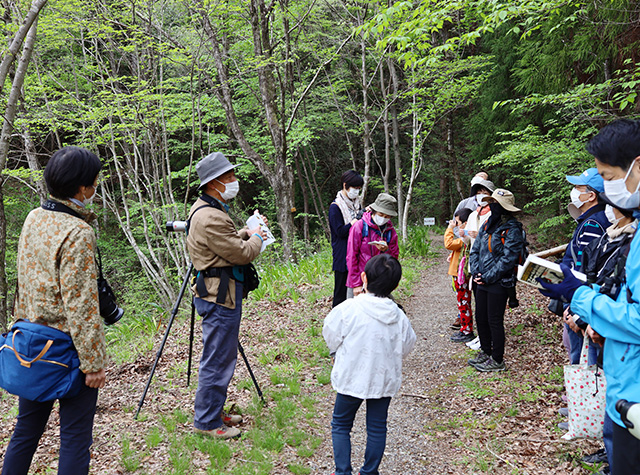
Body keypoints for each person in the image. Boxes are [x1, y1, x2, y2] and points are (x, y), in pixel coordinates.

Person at [538, 119, 640, 475]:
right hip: (625, 387)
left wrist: (581, 298)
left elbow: (638, 320)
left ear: (637, 166)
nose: (609, 189)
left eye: (609, 177)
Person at [2, 147, 106, 475]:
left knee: (26, 431)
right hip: (66, 352)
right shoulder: (78, 233)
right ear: (81, 189)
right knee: (75, 437)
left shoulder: (35, 216)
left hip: (31, 345)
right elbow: (82, 305)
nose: (94, 189)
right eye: (93, 183)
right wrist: (93, 364)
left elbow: (25, 279)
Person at [185, 152, 267, 440]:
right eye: (229, 177)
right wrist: (258, 235)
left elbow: (227, 243)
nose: (234, 181)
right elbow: (242, 254)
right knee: (218, 359)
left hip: (218, 291)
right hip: (220, 295)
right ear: (214, 182)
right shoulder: (210, 217)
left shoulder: (208, 209)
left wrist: (244, 231)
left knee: (221, 355)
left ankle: (213, 411)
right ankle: (207, 422)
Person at [323, 254, 416, 475]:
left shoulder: (348, 309)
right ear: (395, 284)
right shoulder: (398, 315)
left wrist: (336, 352)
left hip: (350, 376)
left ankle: (343, 471)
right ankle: (369, 471)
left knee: (341, 425)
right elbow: (407, 345)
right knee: (376, 427)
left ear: (363, 277)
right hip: (382, 378)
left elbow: (330, 332)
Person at [468, 189, 525, 372]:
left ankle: (497, 360)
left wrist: (488, 276)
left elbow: (508, 259)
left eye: (495, 203)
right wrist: (477, 272)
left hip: (499, 283)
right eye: (490, 202)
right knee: (480, 317)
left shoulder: (513, 229)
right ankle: (485, 351)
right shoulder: (487, 225)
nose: (492, 205)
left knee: (494, 320)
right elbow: (475, 250)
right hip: (481, 280)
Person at [560, 168, 610, 367]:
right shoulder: (593, 219)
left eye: (577, 187)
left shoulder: (592, 224)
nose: (573, 191)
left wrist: (573, 308)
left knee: (584, 360)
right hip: (583, 303)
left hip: (582, 304)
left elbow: (585, 270)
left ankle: (582, 396)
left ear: (591, 195)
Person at [346, 193, 400, 297]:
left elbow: (394, 259)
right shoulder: (359, 226)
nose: (383, 218)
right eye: (380, 214)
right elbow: (351, 256)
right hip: (359, 278)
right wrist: (356, 284)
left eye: (387, 216)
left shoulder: (390, 231)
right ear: (373, 211)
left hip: (380, 282)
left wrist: (386, 250)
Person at [329, 170, 364, 307]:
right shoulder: (336, 207)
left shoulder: (357, 204)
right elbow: (339, 232)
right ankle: (337, 316)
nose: (357, 191)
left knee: (356, 286)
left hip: (356, 251)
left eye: (359, 189)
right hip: (342, 252)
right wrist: (354, 222)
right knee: (341, 290)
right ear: (345, 185)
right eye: (355, 188)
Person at [444, 208, 475, 343]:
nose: (456, 225)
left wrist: (450, 229)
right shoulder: (465, 239)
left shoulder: (465, 238)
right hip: (459, 274)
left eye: (457, 222)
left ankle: (467, 330)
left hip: (461, 275)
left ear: (465, 223)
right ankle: (465, 328)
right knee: (463, 302)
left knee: (463, 303)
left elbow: (448, 244)